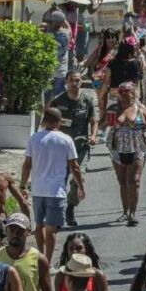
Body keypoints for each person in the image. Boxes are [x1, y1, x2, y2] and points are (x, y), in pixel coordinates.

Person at [20, 108, 86, 262]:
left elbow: (27, 164)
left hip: (38, 190)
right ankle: (47, 261)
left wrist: (23, 185)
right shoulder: (66, 139)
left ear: (43, 121)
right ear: (60, 121)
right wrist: (81, 186)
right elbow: (74, 166)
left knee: (39, 225)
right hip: (56, 191)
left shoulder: (34, 138)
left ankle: (41, 258)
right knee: (51, 229)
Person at [106, 82, 146, 226]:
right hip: (117, 149)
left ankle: (132, 213)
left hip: (137, 148)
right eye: (120, 91)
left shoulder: (141, 109)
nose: (122, 93)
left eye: (126, 90)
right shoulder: (113, 108)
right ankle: (125, 211)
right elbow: (103, 124)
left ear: (133, 92)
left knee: (134, 181)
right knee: (122, 182)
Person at [50, 70, 97, 226]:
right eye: (72, 80)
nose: (75, 83)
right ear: (66, 82)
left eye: (77, 80)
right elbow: (46, 122)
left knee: (79, 179)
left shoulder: (87, 101)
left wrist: (93, 136)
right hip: (61, 149)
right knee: (60, 181)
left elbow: (93, 121)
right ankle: (59, 212)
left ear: (81, 82)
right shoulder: (58, 101)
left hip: (80, 148)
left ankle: (70, 208)